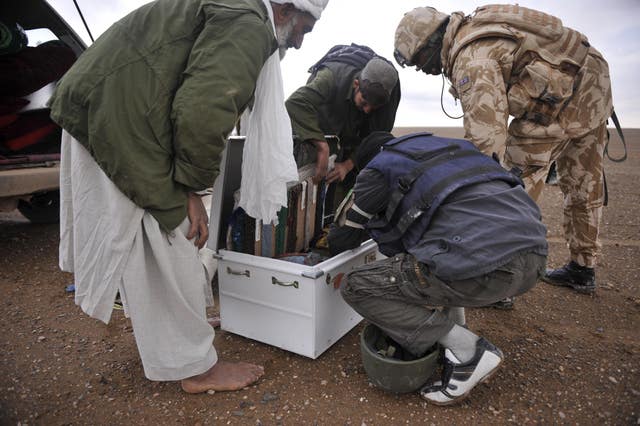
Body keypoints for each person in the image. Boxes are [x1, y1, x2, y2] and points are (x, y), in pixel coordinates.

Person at [47, 0, 327, 394]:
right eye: (304, 30)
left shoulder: (237, 8)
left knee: (155, 236)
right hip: (120, 116)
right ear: (283, 10)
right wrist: (191, 189)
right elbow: (205, 106)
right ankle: (193, 367)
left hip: (110, 106)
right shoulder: (248, 23)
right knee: (173, 234)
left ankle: (185, 330)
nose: (298, 43)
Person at [393, 5, 613, 295]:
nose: (423, 69)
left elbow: (487, 146)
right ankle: (582, 268)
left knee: (511, 184)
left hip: (567, 100)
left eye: (420, 59)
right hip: (594, 87)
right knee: (584, 181)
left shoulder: (472, 59)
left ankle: (501, 275)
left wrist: (463, 197)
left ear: (432, 41)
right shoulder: (478, 33)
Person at [329, 131, 548, 405]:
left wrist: (354, 217)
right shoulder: (446, 150)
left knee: (357, 286)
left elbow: (343, 240)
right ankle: (458, 330)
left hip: (486, 270)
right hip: (535, 259)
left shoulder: (378, 168)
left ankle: (468, 351)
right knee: (433, 251)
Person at [285, 43, 400, 210]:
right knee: (304, 203)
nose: (367, 111)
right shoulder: (331, 77)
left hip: (352, 150)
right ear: (356, 84)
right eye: (364, 102)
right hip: (319, 135)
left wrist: (347, 165)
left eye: (374, 108)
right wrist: (321, 145)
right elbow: (295, 103)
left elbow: (376, 139)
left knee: (343, 207)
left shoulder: (389, 97)